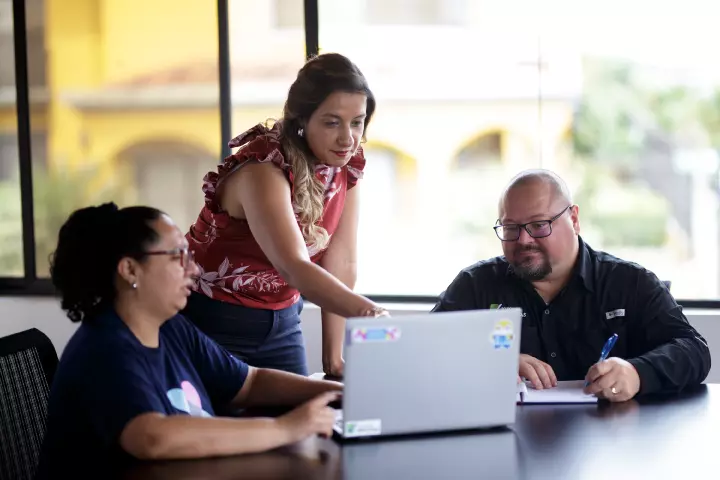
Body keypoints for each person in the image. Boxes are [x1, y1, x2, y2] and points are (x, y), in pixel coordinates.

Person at [35, 203, 343, 477]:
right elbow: (152, 438)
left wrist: (340, 393)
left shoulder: (171, 328)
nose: (193, 269)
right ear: (130, 269)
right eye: (177, 257)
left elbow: (249, 382)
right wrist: (285, 429)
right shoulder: (104, 350)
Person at [183, 52, 386, 378]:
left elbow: (342, 262)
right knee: (228, 426)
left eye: (357, 122)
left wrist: (334, 361)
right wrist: (370, 313)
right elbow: (292, 266)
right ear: (302, 121)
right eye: (332, 122)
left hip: (283, 320)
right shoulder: (263, 168)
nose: (348, 138)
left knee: (303, 422)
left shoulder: (346, 165)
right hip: (213, 320)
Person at [433, 169, 711, 402]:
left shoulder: (628, 283)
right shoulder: (476, 286)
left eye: (539, 225)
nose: (523, 240)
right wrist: (489, 360)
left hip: (612, 448)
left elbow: (694, 350)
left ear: (574, 219)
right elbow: (424, 355)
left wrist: (638, 373)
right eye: (510, 228)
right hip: (504, 444)